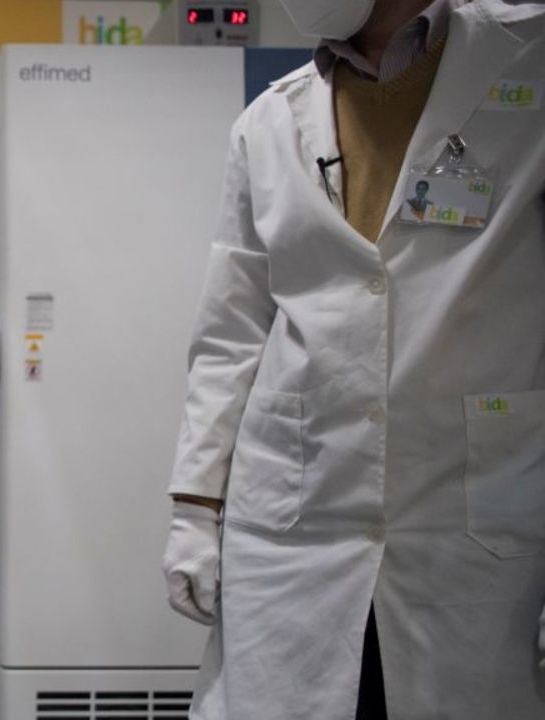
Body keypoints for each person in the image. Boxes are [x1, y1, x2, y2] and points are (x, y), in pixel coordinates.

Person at [161, 1, 545, 719]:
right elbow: (231, 334)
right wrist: (193, 505)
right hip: (292, 521)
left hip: (469, 521)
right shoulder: (268, 123)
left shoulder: (528, 59)